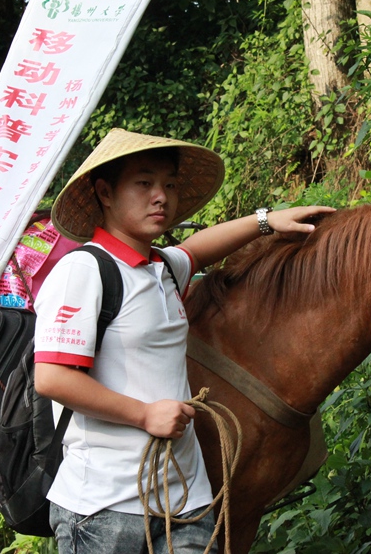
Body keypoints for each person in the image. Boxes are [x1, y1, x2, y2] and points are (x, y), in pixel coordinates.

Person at [33, 128, 334, 553]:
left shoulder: (161, 268)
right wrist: (143, 415)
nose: (161, 196)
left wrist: (268, 221)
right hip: (105, 507)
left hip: (187, 503)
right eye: (144, 183)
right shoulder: (83, 271)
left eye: (170, 185)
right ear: (105, 191)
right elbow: (51, 378)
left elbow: (196, 249)